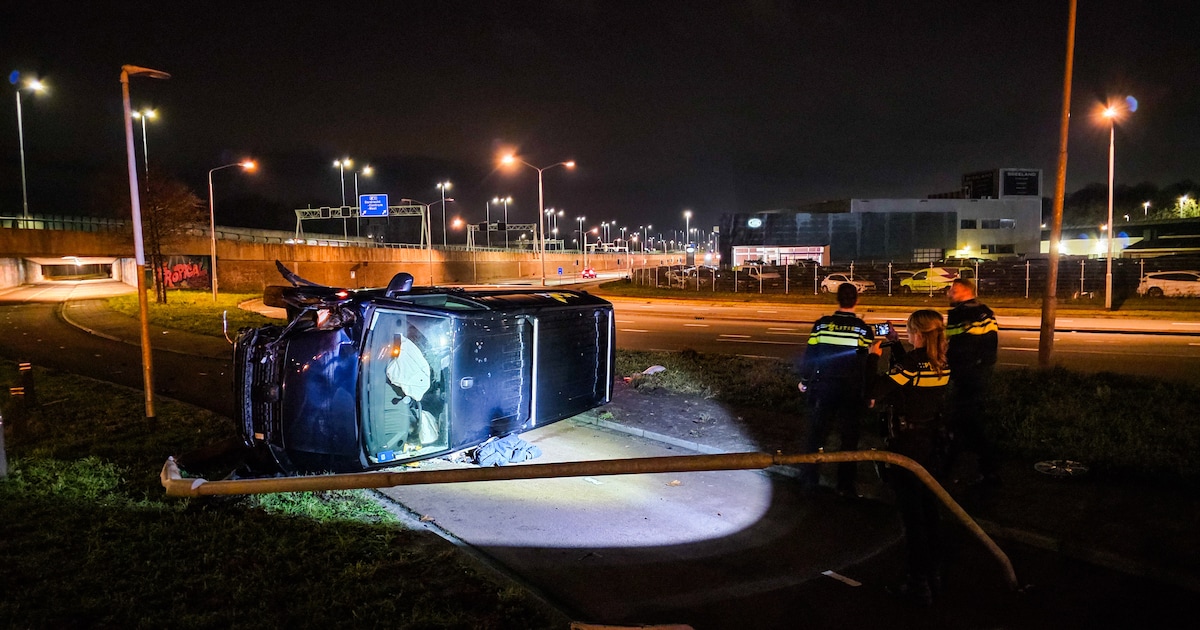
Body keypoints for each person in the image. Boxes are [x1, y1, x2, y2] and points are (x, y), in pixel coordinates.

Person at [868, 309, 952, 606]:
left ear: (917, 333)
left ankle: (917, 584)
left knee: (912, 517)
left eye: (907, 330)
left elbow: (876, 389)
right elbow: (912, 376)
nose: (905, 334)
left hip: (907, 446)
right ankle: (934, 575)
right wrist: (896, 345)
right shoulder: (941, 360)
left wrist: (872, 356)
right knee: (930, 512)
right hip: (931, 443)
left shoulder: (913, 363)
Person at [796, 282, 874, 495]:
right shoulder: (862, 329)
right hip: (851, 390)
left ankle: (809, 479)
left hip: (824, 387)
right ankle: (845, 485)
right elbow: (865, 363)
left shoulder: (821, 325)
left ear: (837, 299)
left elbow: (811, 355)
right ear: (857, 300)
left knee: (817, 434)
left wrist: (805, 380)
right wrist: (869, 392)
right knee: (849, 438)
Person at [945, 277, 1000, 484]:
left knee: (965, 423)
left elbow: (957, 347)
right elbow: (989, 346)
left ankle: (986, 468)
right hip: (980, 375)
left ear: (965, 292)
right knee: (964, 422)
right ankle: (958, 467)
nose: (949, 293)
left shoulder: (961, 314)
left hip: (966, 377)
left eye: (953, 290)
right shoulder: (985, 311)